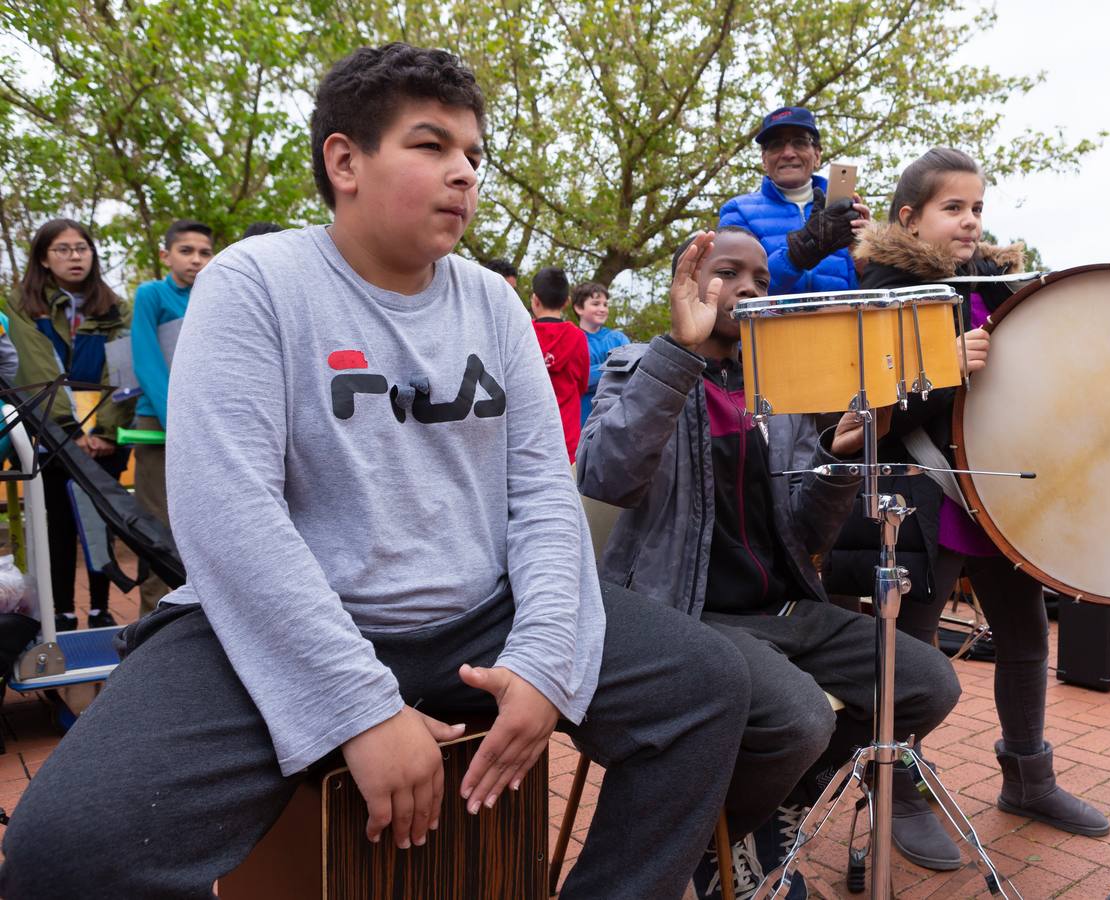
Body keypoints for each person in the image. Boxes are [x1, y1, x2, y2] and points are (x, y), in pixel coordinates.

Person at [0, 42, 751, 900]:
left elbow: (543, 494)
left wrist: (546, 660)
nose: (464, 173)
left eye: (473, 153)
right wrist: (356, 706)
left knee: (706, 689)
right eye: (432, 146)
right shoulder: (256, 282)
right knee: (66, 847)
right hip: (283, 617)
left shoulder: (491, 301)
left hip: (479, 617)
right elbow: (227, 514)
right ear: (345, 160)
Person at [577, 226, 960, 898]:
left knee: (927, 683)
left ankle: (746, 814)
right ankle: (726, 847)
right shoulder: (640, 364)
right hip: (688, 614)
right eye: (727, 272)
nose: (750, 287)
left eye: (761, 277)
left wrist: (839, 460)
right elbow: (605, 474)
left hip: (783, 609)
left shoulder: (775, 389)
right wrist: (679, 353)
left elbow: (805, 532)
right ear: (688, 284)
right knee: (799, 718)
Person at [822, 149, 1110, 866]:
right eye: (954, 208)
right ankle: (896, 790)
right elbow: (858, 409)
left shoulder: (993, 284)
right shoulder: (880, 292)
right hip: (925, 498)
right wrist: (943, 369)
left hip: (1000, 494)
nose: (971, 221)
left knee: (1025, 637)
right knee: (911, 656)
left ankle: (1027, 777)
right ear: (908, 218)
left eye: (978, 207)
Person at [5, 218, 134, 631]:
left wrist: (107, 433)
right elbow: (38, 367)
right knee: (57, 526)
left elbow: (124, 374)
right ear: (43, 257)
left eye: (82, 248)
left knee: (101, 524)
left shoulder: (116, 307)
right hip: (51, 436)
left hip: (105, 439)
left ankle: (100, 610)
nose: (75, 256)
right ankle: (61, 612)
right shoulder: (22, 306)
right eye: (62, 249)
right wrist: (68, 431)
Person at [130, 218, 214, 616]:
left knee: (208, 529)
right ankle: (152, 627)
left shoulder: (219, 294)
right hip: (161, 425)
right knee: (157, 528)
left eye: (204, 252)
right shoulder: (151, 295)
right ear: (166, 255)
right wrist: (179, 422)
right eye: (186, 251)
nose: (196, 260)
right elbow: (147, 362)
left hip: (208, 424)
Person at [718, 106, 869, 296]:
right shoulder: (737, 212)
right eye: (776, 144)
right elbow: (733, 291)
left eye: (799, 142)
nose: (788, 153)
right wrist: (800, 251)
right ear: (764, 159)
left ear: (817, 155)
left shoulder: (844, 207)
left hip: (841, 324)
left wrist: (865, 256)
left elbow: (870, 296)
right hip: (771, 326)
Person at [530, 266, 589, 461]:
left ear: (535, 300)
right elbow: (582, 383)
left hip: (529, 437)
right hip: (566, 437)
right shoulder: (577, 337)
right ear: (566, 302)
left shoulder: (524, 333)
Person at [572, 281, 629, 426]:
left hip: (615, 416)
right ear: (579, 308)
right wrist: (613, 368)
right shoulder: (572, 339)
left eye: (605, 304)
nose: (602, 309)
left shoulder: (618, 339)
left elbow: (630, 375)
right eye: (596, 304)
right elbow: (578, 380)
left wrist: (595, 372)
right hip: (582, 417)